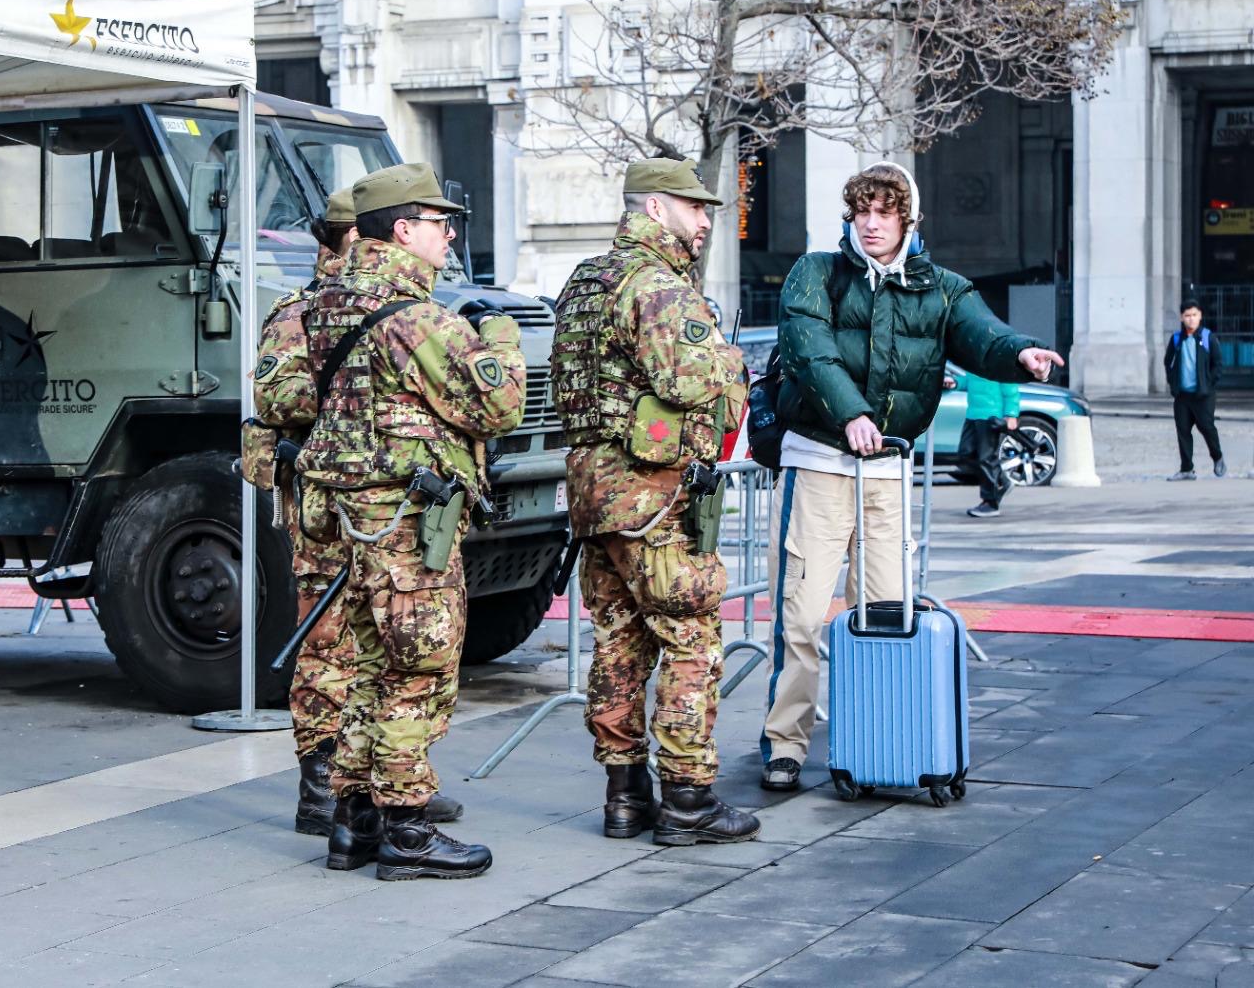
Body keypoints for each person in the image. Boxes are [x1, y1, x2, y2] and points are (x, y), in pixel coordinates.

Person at [759, 161, 1063, 793]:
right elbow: (809, 352)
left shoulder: (941, 288)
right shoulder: (815, 273)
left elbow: (981, 335)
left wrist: (1020, 352)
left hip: (887, 473)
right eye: (860, 212)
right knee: (803, 617)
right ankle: (785, 744)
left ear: (908, 219)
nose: (870, 224)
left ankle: (875, 737)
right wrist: (853, 416)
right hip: (819, 465)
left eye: (884, 213)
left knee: (887, 614)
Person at [297, 162, 525, 881]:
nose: (448, 232)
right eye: (437, 221)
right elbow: (498, 408)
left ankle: (354, 820)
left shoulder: (325, 302)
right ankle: (407, 831)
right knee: (419, 668)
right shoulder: (418, 318)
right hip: (404, 522)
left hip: (347, 516)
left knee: (366, 665)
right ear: (402, 230)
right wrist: (503, 343)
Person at [550, 157, 758, 846]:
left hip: (595, 493)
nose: (705, 221)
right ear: (655, 208)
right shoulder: (661, 289)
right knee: (691, 638)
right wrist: (734, 366)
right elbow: (693, 382)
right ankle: (689, 798)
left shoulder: (586, 282)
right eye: (695, 208)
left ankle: (624, 795)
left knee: (618, 641)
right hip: (651, 493)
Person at [247, 187, 464, 836]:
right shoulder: (305, 312)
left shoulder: (394, 307)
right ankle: (322, 785)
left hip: (378, 499)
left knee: (387, 644)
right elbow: (278, 397)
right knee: (329, 640)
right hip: (327, 502)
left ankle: (386, 784)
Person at [1164, 299, 1225, 480]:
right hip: (1183, 395)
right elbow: (1168, 362)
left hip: (1203, 395)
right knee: (1182, 430)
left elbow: (1218, 364)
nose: (1191, 319)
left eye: (1194, 315)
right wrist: (1173, 382)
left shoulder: (1208, 337)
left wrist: (1208, 383)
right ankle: (1187, 469)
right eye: (1187, 316)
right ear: (1182, 318)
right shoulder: (1176, 339)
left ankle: (1218, 457)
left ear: (1200, 316)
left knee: (1206, 427)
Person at [952, 371, 1020, 518]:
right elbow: (970, 380)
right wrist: (956, 383)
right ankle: (1001, 480)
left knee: (986, 459)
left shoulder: (997, 357)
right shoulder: (973, 358)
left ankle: (990, 502)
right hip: (972, 414)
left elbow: (1010, 387)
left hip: (991, 415)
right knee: (965, 455)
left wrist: (1011, 414)